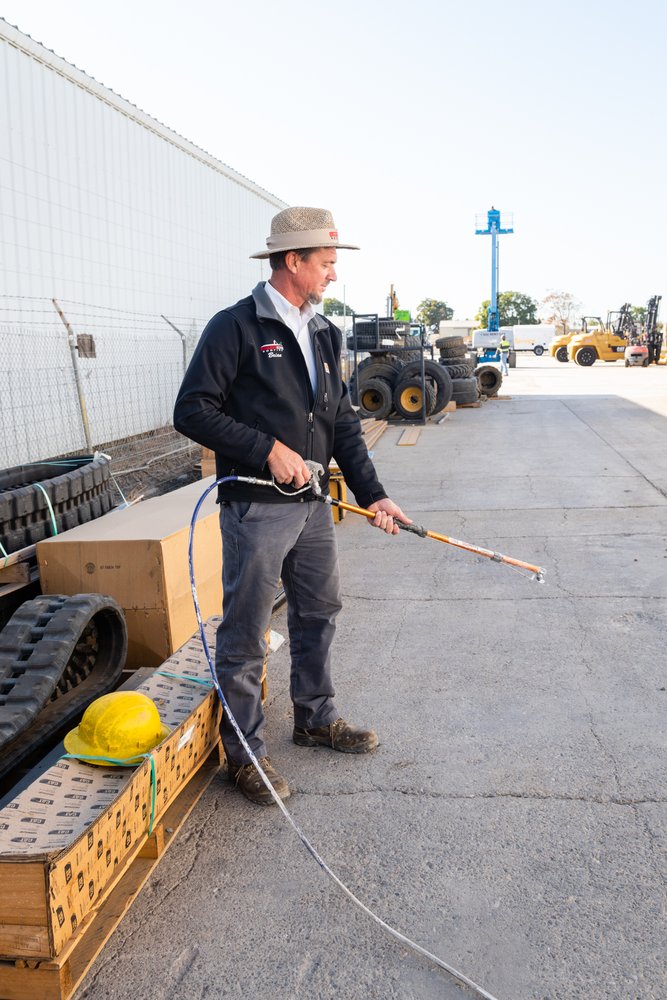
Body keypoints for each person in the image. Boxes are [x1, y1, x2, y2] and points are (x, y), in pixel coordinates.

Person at [173, 206, 409, 805]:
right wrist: (266, 448)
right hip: (256, 507)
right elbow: (193, 410)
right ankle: (245, 752)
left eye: (334, 262)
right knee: (248, 628)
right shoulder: (236, 328)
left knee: (318, 611)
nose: (333, 272)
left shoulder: (324, 334)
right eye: (325, 262)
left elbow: (343, 425)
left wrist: (373, 494)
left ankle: (314, 717)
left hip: (312, 507)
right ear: (292, 261)